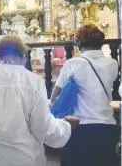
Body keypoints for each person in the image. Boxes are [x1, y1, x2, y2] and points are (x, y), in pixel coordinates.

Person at [0, 36, 79, 166]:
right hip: (23, 158)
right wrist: (66, 125)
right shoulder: (33, 81)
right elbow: (43, 129)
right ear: (24, 57)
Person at [50, 25, 119, 166]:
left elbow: (54, 96)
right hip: (107, 128)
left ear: (79, 42)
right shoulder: (112, 63)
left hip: (79, 129)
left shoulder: (72, 64)